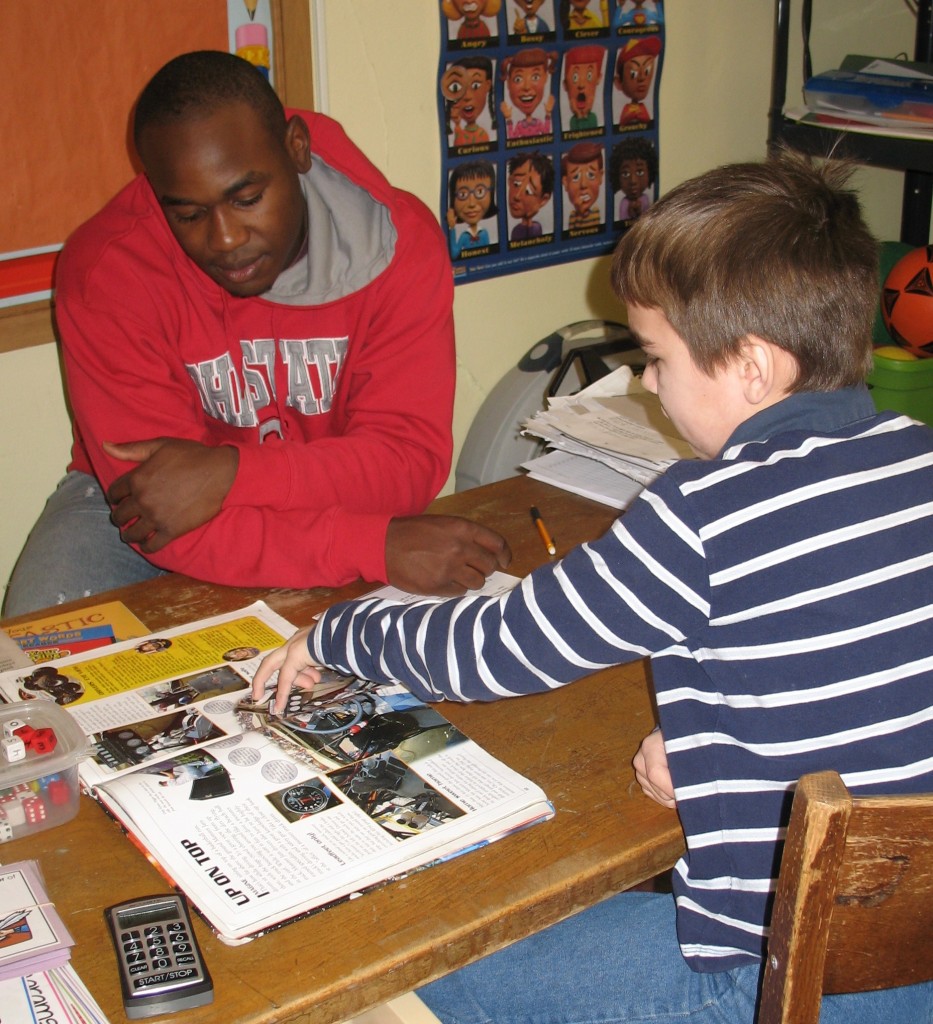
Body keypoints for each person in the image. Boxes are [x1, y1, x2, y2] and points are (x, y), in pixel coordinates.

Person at [253, 150, 933, 1023]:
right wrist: (736, 770)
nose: (647, 384)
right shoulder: (916, 454)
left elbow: (489, 653)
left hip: (780, 983)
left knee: (401, 964)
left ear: (753, 369)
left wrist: (341, 631)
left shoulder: (702, 512)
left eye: (655, 358)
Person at [4, 51, 510, 618]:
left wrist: (230, 472)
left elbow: (405, 464)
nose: (223, 239)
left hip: (336, 492)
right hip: (128, 513)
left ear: (296, 148)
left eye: (247, 199)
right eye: (188, 214)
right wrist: (371, 548)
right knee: (24, 676)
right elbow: (159, 513)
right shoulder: (106, 271)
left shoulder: (397, 243)